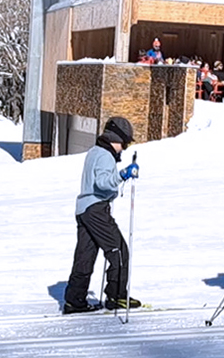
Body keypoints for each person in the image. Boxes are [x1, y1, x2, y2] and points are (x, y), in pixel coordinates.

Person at [62, 116, 142, 314]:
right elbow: (103, 183)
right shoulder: (105, 156)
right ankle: (116, 296)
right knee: (119, 251)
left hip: (84, 209)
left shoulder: (94, 152)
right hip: (96, 209)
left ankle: (75, 300)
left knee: (85, 255)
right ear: (116, 139)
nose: (123, 148)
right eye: (124, 143)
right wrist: (124, 174)